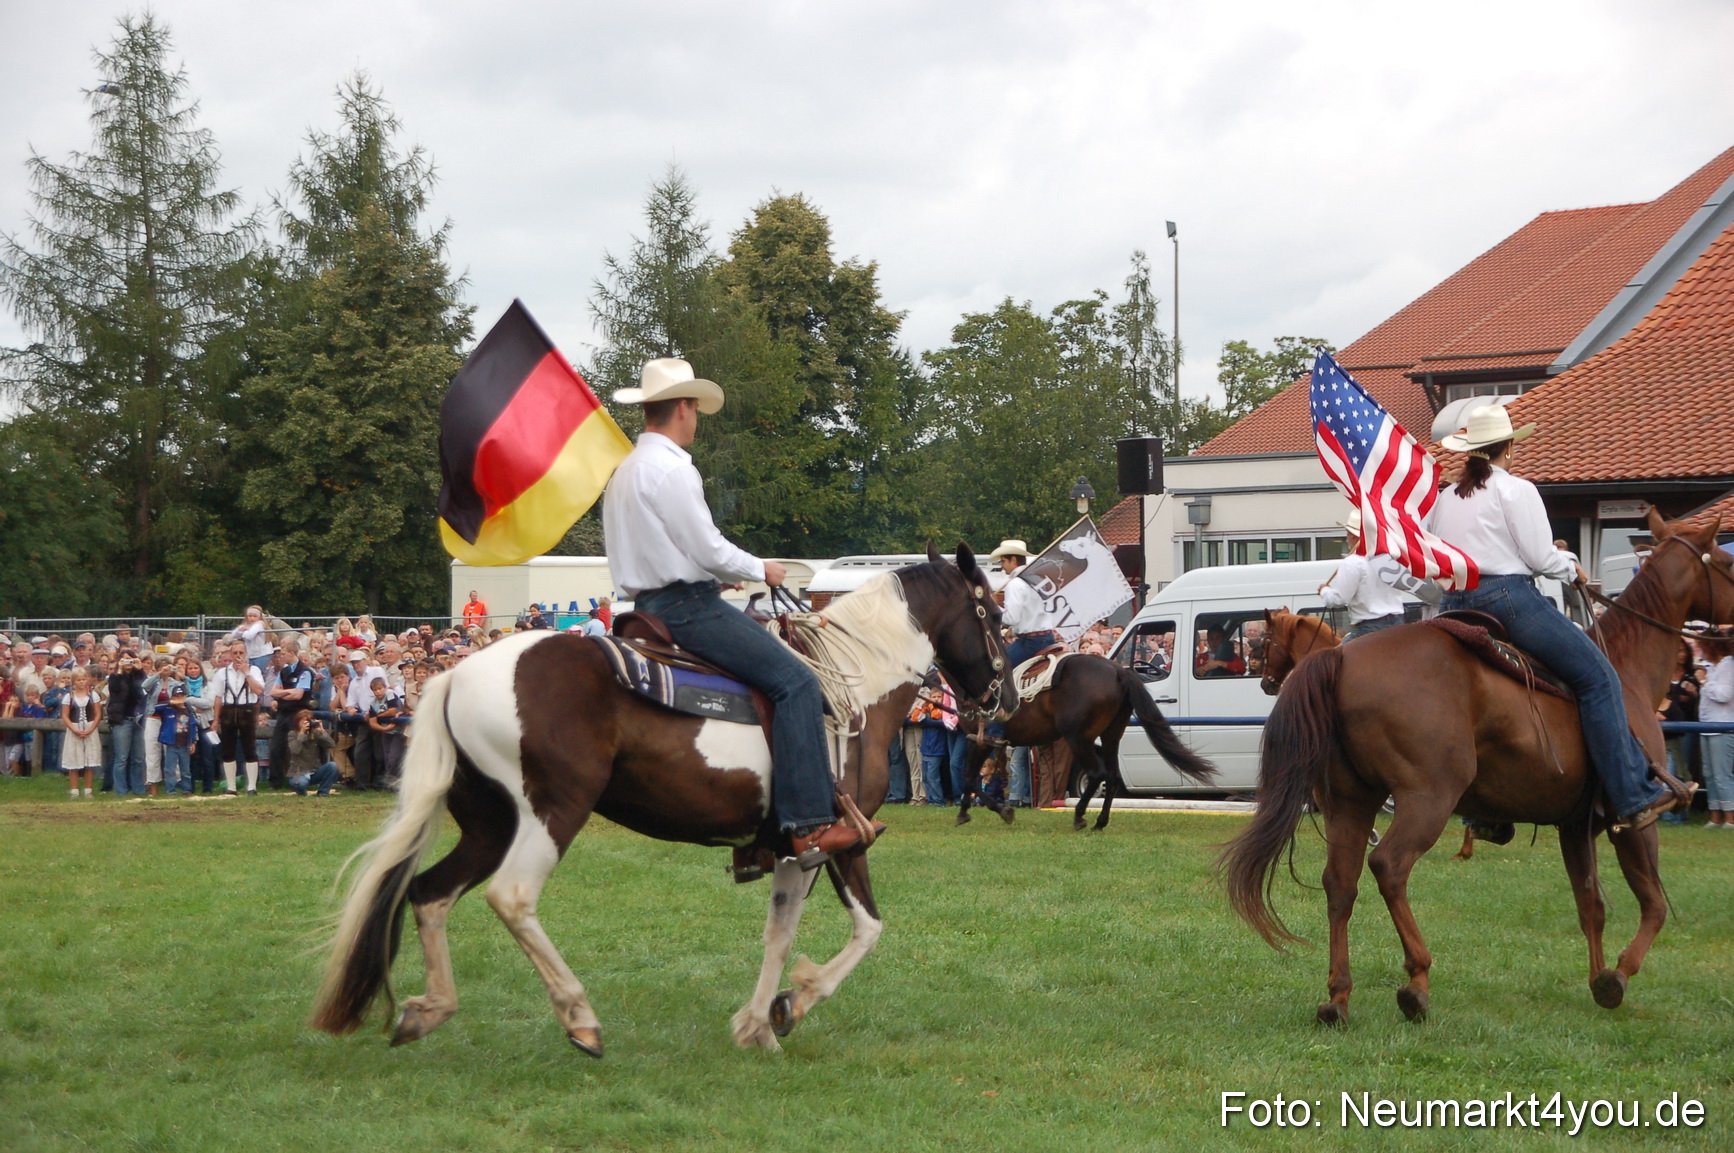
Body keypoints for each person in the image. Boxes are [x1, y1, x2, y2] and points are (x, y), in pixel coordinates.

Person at [604, 356, 872, 867]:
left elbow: (670, 548)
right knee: (797, 683)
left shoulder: (626, 471)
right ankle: (808, 828)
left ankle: (765, 831)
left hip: (646, 606)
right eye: (696, 408)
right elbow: (706, 546)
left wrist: (715, 570)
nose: (697, 418)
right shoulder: (672, 469)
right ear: (683, 407)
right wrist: (759, 568)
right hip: (689, 609)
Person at [1430, 405, 1689, 832]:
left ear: (1470, 450)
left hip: (1455, 605)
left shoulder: (1446, 498)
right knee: (1598, 678)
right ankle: (1632, 796)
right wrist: (1571, 567)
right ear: (1509, 447)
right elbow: (1537, 557)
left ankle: (1482, 812)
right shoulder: (1517, 490)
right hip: (1506, 599)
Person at [989, 539, 1052, 807]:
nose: (1002, 566)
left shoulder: (1015, 584)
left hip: (1029, 641)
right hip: (1046, 636)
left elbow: (1012, 618)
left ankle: (994, 728)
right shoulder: (1035, 581)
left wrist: (993, 611)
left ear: (1014, 560)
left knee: (995, 677)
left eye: (1004, 561)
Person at [1317, 509, 1409, 641]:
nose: (1347, 537)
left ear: (1353, 536)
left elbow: (1339, 599)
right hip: (1398, 624)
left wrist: (1324, 591)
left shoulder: (1352, 562)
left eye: (1347, 533)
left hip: (1369, 628)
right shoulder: (1389, 557)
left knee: (1335, 659)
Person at [211, 642, 265, 796]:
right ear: (231, 654)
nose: (238, 656)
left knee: (250, 749)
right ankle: (231, 786)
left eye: (241, 653)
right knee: (228, 750)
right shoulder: (222, 673)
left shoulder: (254, 670)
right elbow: (218, 697)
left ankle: (251, 787)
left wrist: (247, 673)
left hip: (246, 710)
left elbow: (259, 691)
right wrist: (216, 720)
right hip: (228, 710)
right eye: (235, 653)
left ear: (245, 653)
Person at [266, 639, 315, 789]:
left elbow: (298, 695)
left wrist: (282, 694)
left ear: (292, 653)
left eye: (284, 654)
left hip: (298, 713)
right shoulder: (284, 672)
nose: (281, 656)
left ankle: (299, 780)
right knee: (276, 747)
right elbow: (272, 692)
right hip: (283, 713)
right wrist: (288, 692)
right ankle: (275, 781)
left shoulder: (305, 671)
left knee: (297, 747)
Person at [1699, 634, 1734, 827]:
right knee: (1709, 775)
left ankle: (1730, 818)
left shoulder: (1728, 665)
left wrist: (1705, 683)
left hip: (1723, 726)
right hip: (1706, 725)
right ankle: (1715, 816)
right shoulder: (1709, 666)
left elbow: (1725, 695)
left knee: (1722, 775)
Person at [107, 653, 147, 796]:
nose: (128, 662)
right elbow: (114, 689)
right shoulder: (115, 677)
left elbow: (144, 691)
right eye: (124, 659)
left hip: (138, 720)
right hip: (122, 720)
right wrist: (119, 670)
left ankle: (138, 789)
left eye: (130, 659)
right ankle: (121, 791)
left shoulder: (138, 676)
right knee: (121, 758)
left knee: (138, 758)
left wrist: (139, 670)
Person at [60, 670, 103, 798]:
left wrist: (91, 728)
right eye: (78, 680)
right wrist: (74, 729)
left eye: (83, 679)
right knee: (74, 759)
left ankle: (88, 790)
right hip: (75, 727)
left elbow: (98, 714)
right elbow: (65, 715)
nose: (81, 682)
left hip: (89, 727)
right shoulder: (69, 697)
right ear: (74, 682)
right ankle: (74, 791)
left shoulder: (93, 695)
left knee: (89, 760)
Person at [284, 710, 342, 796]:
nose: (306, 724)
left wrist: (322, 731)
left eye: (308, 722)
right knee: (301, 783)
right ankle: (301, 792)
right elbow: (295, 750)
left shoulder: (314, 733)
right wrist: (302, 734)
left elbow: (331, 744)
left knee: (332, 766)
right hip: (298, 773)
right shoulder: (292, 734)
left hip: (314, 771)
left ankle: (323, 792)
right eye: (303, 722)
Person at [228, 606, 275, 674]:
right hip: (252, 655)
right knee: (251, 673)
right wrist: (241, 630)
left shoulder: (259, 624)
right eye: (250, 616)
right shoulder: (246, 625)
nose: (252, 618)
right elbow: (233, 634)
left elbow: (249, 636)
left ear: (259, 617)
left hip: (262, 654)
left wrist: (244, 631)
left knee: (258, 673)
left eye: (254, 616)